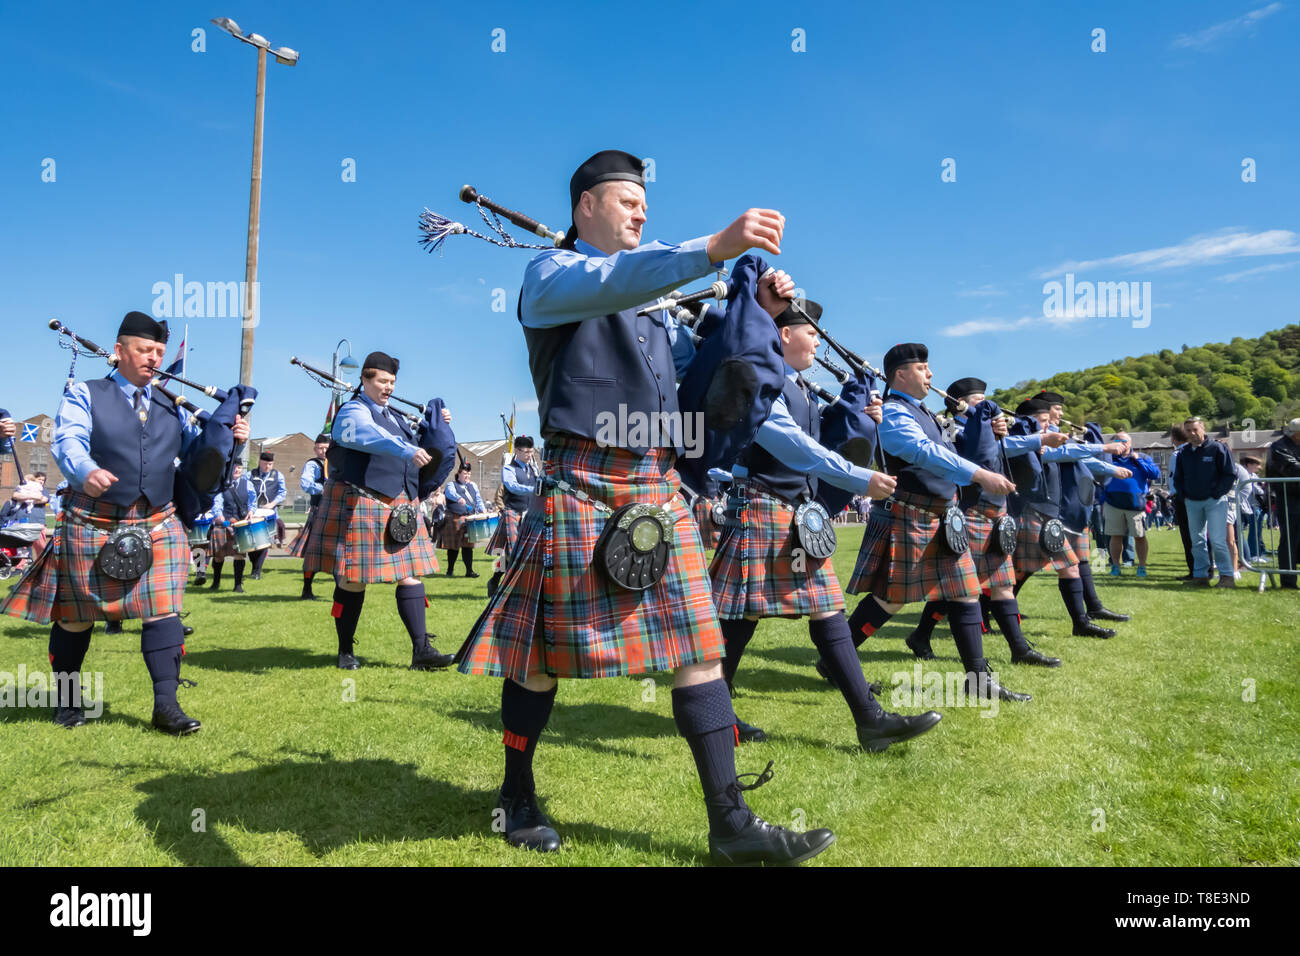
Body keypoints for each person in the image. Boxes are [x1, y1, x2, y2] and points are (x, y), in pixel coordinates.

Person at [457, 149, 834, 865]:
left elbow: (709, 378)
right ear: (585, 207)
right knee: (540, 661)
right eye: (627, 200)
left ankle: (731, 825)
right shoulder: (549, 277)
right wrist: (713, 249)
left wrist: (756, 313)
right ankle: (515, 794)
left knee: (700, 650)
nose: (641, 210)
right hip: (584, 484)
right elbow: (614, 277)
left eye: (644, 203)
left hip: (657, 488)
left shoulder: (656, 315)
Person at [0, 311, 248, 733]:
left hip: (157, 518)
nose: (153, 359)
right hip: (93, 518)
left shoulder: (173, 406)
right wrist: (84, 471)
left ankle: (166, 707)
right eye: (145, 350)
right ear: (119, 352)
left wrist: (228, 439)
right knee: (75, 616)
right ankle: (68, 702)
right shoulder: (87, 393)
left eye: (159, 352)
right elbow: (68, 439)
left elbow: (198, 456)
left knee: (163, 610)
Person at [713, 299, 941, 750]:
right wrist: (860, 478)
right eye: (810, 331)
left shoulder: (798, 387)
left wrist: (862, 418)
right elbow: (793, 447)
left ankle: (869, 720)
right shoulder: (763, 378)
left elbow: (825, 441)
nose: (818, 339)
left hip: (790, 509)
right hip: (763, 504)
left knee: (822, 607)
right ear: (783, 335)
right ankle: (719, 715)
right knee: (742, 614)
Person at [844, 343, 1031, 702]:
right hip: (912, 515)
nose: (930, 374)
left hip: (940, 516)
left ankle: (978, 680)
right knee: (890, 599)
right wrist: (977, 475)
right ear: (901, 374)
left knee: (965, 593)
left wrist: (992, 432)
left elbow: (958, 447)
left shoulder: (925, 413)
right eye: (923, 368)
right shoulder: (896, 413)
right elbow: (922, 452)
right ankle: (836, 661)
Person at [301, 351, 455, 670]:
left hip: (400, 504)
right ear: (365, 380)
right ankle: (345, 651)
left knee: (409, 576)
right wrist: (407, 448)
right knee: (354, 580)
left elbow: (427, 449)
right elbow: (366, 436)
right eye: (383, 381)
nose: (389, 388)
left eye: (393, 382)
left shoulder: (397, 418)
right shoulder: (352, 411)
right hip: (361, 502)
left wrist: (437, 427)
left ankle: (421, 651)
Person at [902, 378, 1070, 666]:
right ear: (959, 406)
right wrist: (1037, 438)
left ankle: (1019, 649)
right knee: (960, 586)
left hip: (994, 509)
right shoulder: (951, 428)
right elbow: (973, 454)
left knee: (1001, 583)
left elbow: (1009, 448)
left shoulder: (989, 430)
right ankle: (922, 635)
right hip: (971, 509)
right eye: (977, 403)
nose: (985, 410)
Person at [1173, 417, 1237, 588]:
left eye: (1195, 429)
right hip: (1192, 502)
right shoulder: (1184, 453)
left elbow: (1230, 473)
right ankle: (1200, 576)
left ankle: (1226, 576)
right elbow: (1177, 477)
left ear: (1203, 429)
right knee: (1197, 541)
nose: (1192, 433)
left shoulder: (1218, 448)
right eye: (1188, 431)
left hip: (1214, 501)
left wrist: (1218, 493)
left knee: (1217, 540)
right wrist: (1183, 494)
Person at [1102, 432, 1161, 577]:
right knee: (1115, 536)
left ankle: (1141, 567)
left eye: (1123, 441)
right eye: (1117, 441)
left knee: (1139, 536)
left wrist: (1138, 461)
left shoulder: (1142, 457)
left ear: (1130, 443)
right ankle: (1115, 566)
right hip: (1113, 503)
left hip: (1136, 504)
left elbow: (1155, 474)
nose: (1120, 444)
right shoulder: (1109, 458)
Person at [486, 436, 540, 597]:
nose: (529, 455)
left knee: (522, 552)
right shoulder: (509, 469)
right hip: (512, 512)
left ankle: (495, 580)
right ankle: (499, 582)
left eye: (531, 451)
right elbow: (512, 487)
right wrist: (535, 489)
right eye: (526, 452)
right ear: (516, 451)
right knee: (511, 553)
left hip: (529, 514)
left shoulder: (534, 469)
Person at [289, 433, 330, 600]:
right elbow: (306, 483)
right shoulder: (313, 464)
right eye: (320, 448)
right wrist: (323, 489)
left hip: (335, 509)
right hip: (319, 510)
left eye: (326, 448)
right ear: (315, 449)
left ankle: (341, 592)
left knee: (338, 551)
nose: (323, 451)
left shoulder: (336, 464)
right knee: (312, 553)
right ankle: (306, 590)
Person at [207, 460, 255, 593]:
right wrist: (220, 516)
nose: (237, 470)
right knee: (218, 555)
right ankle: (215, 583)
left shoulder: (248, 484)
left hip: (240, 524)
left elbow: (252, 501)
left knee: (239, 555)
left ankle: (238, 586)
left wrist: (251, 511)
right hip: (224, 522)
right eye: (234, 467)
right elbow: (217, 502)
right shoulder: (221, 484)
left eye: (239, 467)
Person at [1264, 419, 1300, 589]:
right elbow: (1294, 469)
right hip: (1289, 500)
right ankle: (1288, 581)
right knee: (1290, 540)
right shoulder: (1279, 448)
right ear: (1296, 433)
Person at [438, 461, 488, 578]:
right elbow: (450, 493)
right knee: (453, 546)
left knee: (468, 546)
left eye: (469, 474)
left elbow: (478, 499)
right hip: (455, 518)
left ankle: (469, 571)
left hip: (470, 519)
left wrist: (483, 510)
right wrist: (458, 498)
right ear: (459, 473)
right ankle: (450, 571)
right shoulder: (451, 485)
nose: (467, 476)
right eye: (465, 473)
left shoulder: (473, 486)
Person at [246, 451, 286, 579]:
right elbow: (243, 490)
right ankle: (255, 566)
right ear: (259, 462)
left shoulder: (278, 475)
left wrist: (273, 503)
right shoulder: (249, 475)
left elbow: (282, 492)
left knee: (264, 542)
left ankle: (257, 571)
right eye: (265, 463)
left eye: (270, 464)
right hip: (253, 513)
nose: (267, 466)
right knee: (251, 544)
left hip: (270, 514)